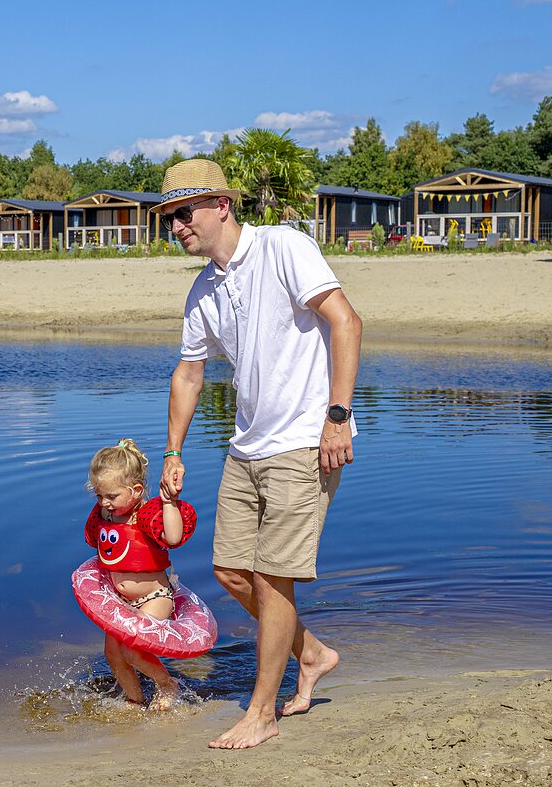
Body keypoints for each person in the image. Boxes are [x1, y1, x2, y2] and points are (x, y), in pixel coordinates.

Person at [155, 159, 362, 750]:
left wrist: (338, 418)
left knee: (274, 579)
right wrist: (173, 451)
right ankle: (314, 654)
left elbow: (346, 322)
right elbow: (189, 375)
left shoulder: (283, 247)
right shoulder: (202, 289)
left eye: (184, 212)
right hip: (245, 447)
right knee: (230, 572)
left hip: (305, 441)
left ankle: (262, 711)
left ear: (222, 204)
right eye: (168, 216)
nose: (175, 225)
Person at [84, 438, 196, 709]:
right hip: (121, 603)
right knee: (113, 654)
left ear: (135, 490)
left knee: (132, 650)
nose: (105, 503)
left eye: (111, 497)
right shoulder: (106, 516)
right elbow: (95, 541)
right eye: (100, 496)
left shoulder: (146, 515)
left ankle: (167, 683)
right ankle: (135, 700)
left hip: (154, 597)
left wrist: (170, 503)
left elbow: (172, 538)